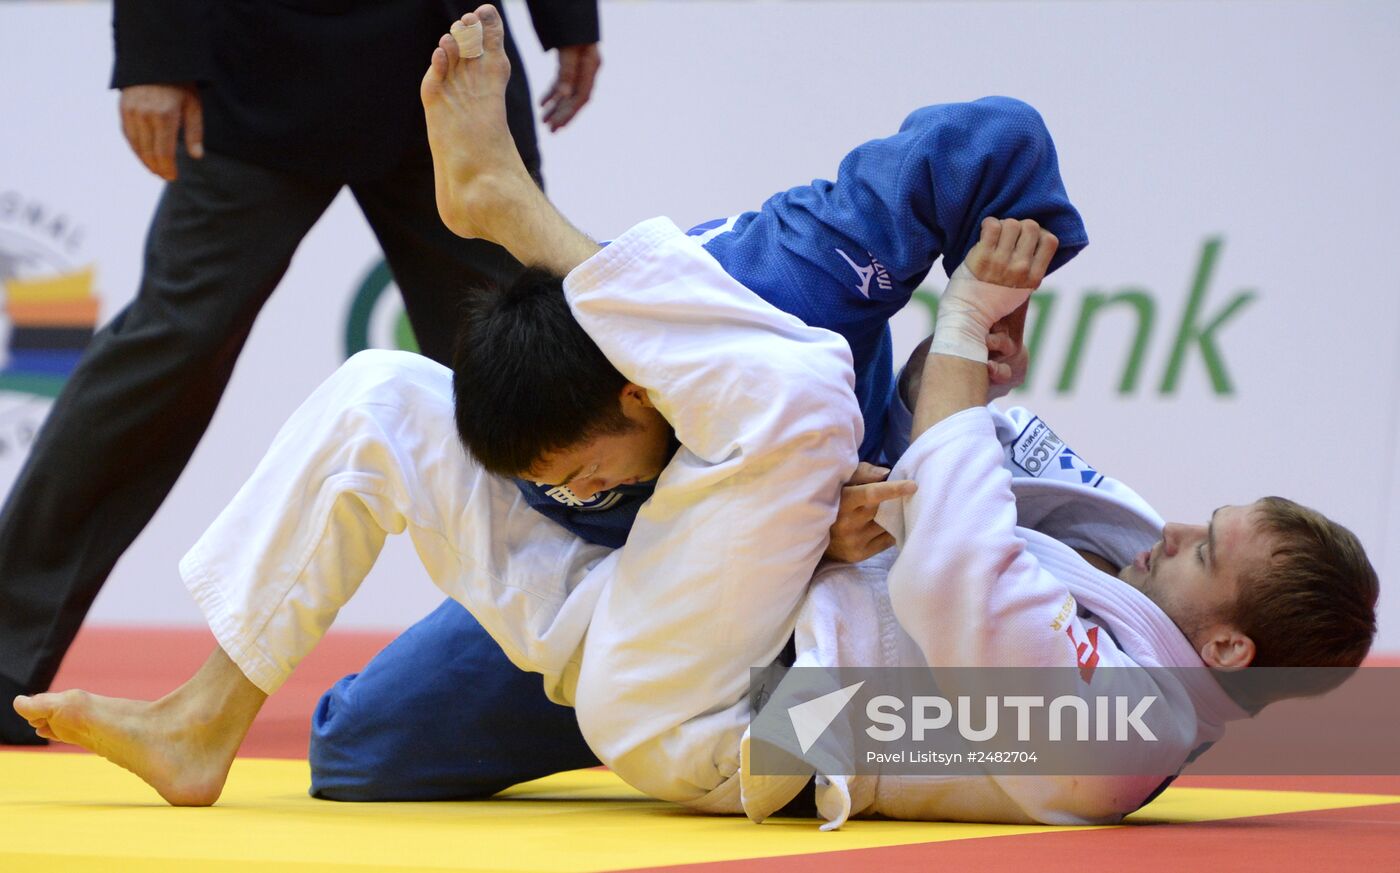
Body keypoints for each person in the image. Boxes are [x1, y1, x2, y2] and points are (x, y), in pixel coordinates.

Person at [9, 6, 1089, 806]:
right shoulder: (575, 475)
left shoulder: (796, 276)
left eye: (579, 471)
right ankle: (203, 719)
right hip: (638, 615)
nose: (569, 492)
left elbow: (993, 134)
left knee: (779, 395)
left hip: (776, 675)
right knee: (360, 731)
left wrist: (993, 295)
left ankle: (523, 221)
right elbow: (560, 466)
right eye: (543, 484)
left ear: (635, 387)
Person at [0, 0, 602, 745]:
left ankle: (595, 660)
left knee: (535, 370)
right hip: (260, 69)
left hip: (445, 60)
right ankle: (8, 662)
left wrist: (568, 13)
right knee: (164, 352)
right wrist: (155, 52)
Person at [735, 231, 1380, 827]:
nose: (1177, 530)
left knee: (783, 369)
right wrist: (963, 368)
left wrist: (965, 320)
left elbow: (953, 567)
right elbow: (942, 456)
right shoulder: (1136, 557)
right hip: (768, 586)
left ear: (1227, 649)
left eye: (1206, 553)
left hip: (747, 699)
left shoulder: (1124, 736)